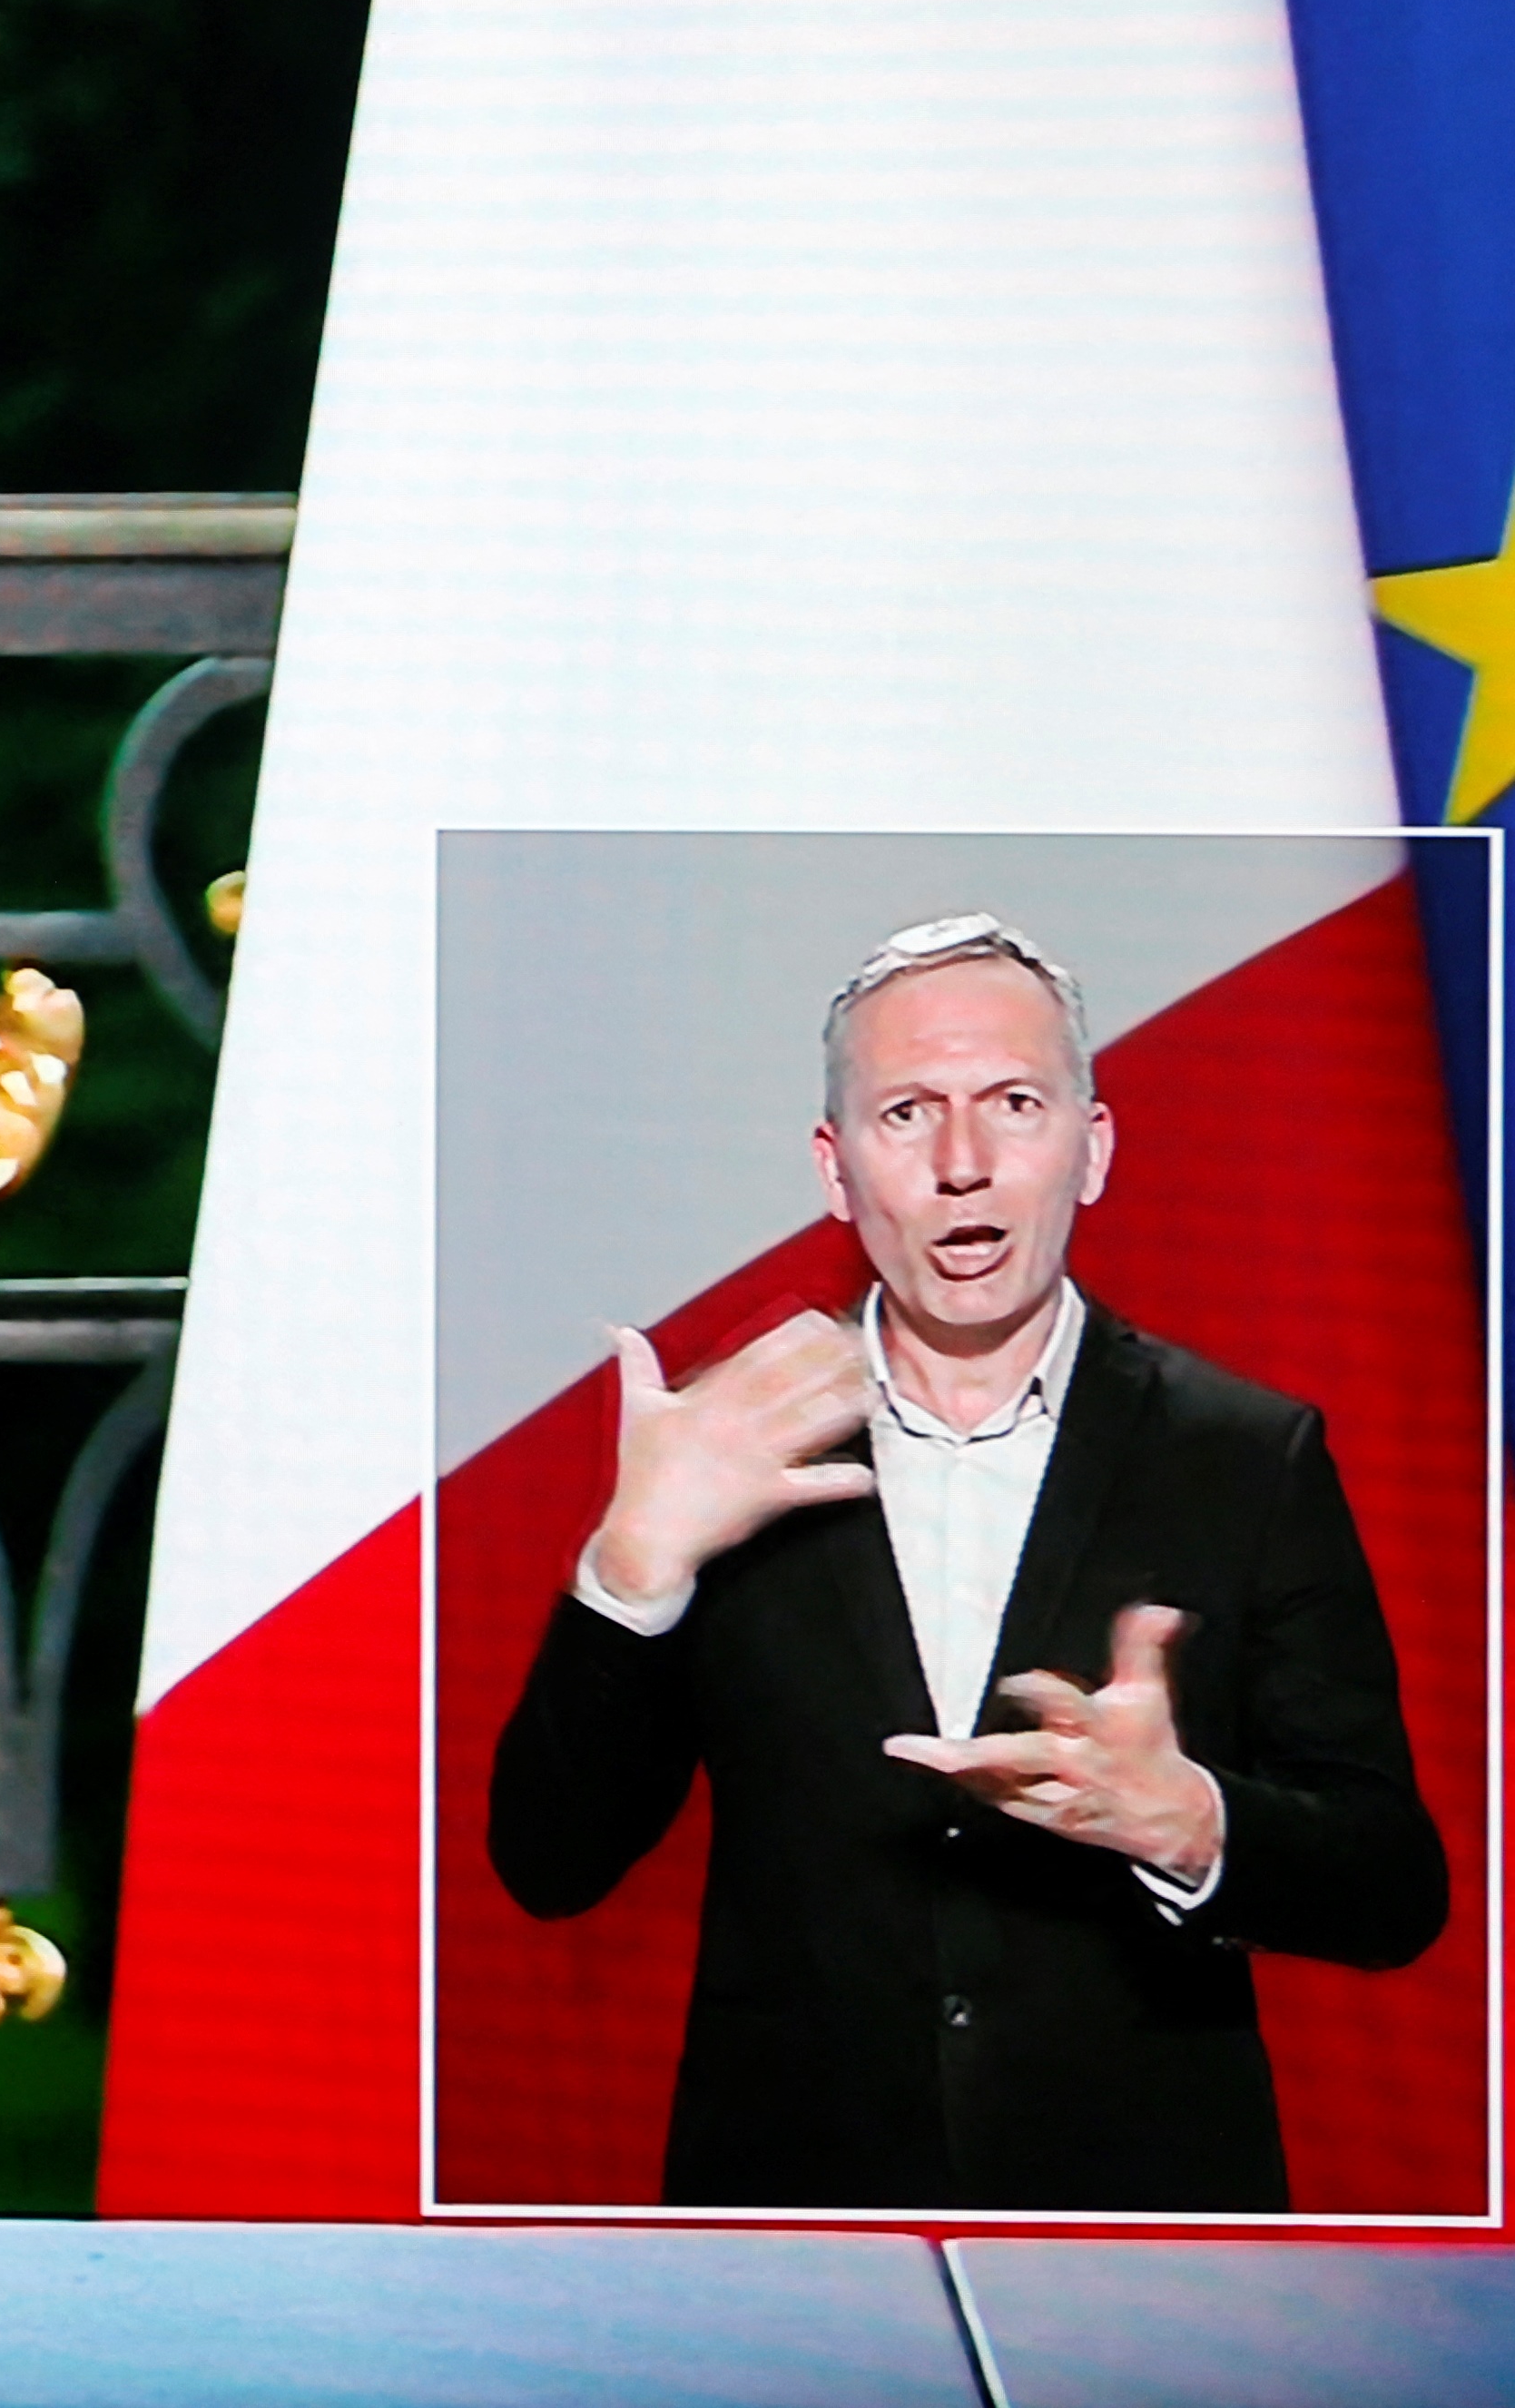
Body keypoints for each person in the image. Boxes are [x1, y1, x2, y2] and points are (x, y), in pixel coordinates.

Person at [486, 912, 1447, 2209]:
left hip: (1147, 2237)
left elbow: (1392, 1887)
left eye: (1013, 1104)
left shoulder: (1244, 1455)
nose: (962, 1165)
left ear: (1092, 1149)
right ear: (834, 1170)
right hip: (797, 2235)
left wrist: (1191, 1822)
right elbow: (548, 1863)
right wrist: (631, 1571)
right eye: (907, 1114)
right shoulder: (732, 1448)